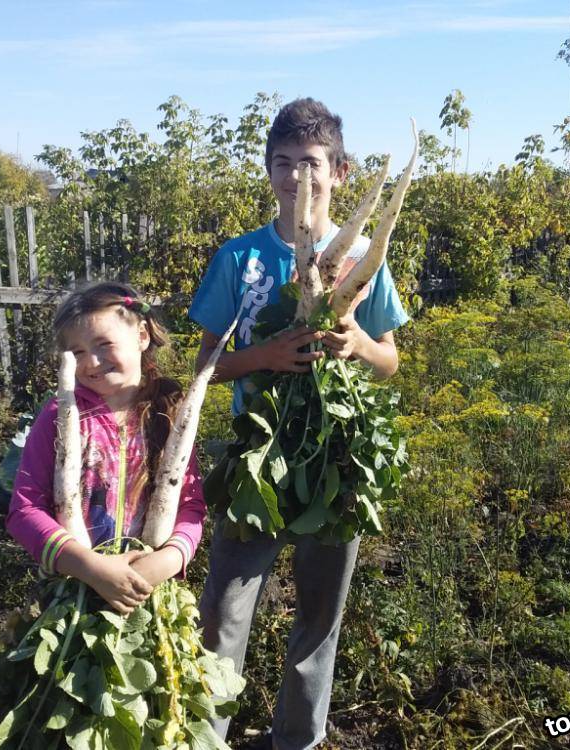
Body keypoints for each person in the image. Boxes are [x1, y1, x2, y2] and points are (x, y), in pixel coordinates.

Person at [189, 98, 410, 749]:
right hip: (255, 462)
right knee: (224, 610)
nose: (297, 177)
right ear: (268, 170)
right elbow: (205, 368)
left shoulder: (365, 256)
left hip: (335, 463)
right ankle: (205, 736)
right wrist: (264, 357)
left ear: (339, 172)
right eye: (283, 162)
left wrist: (356, 343)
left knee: (319, 616)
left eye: (311, 163)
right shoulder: (240, 259)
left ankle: (298, 739)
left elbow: (389, 362)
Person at [6, 281, 206, 614]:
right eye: (78, 352)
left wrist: (168, 559)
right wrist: (89, 566)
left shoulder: (169, 413)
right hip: (71, 592)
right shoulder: (59, 414)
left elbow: (191, 505)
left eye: (103, 344)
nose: (91, 362)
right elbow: (24, 510)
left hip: (148, 593)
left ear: (142, 336)